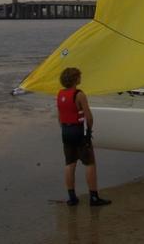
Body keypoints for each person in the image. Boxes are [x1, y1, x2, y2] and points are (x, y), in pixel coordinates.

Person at [57, 67, 111, 206]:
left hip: (65, 131)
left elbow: (59, 117)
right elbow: (89, 116)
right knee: (90, 163)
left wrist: (64, 129)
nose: (80, 78)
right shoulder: (79, 94)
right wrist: (89, 132)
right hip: (78, 131)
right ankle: (93, 197)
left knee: (70, 164)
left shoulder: (60, 94)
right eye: (79, 76)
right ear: (75, 79)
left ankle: (72, 198)